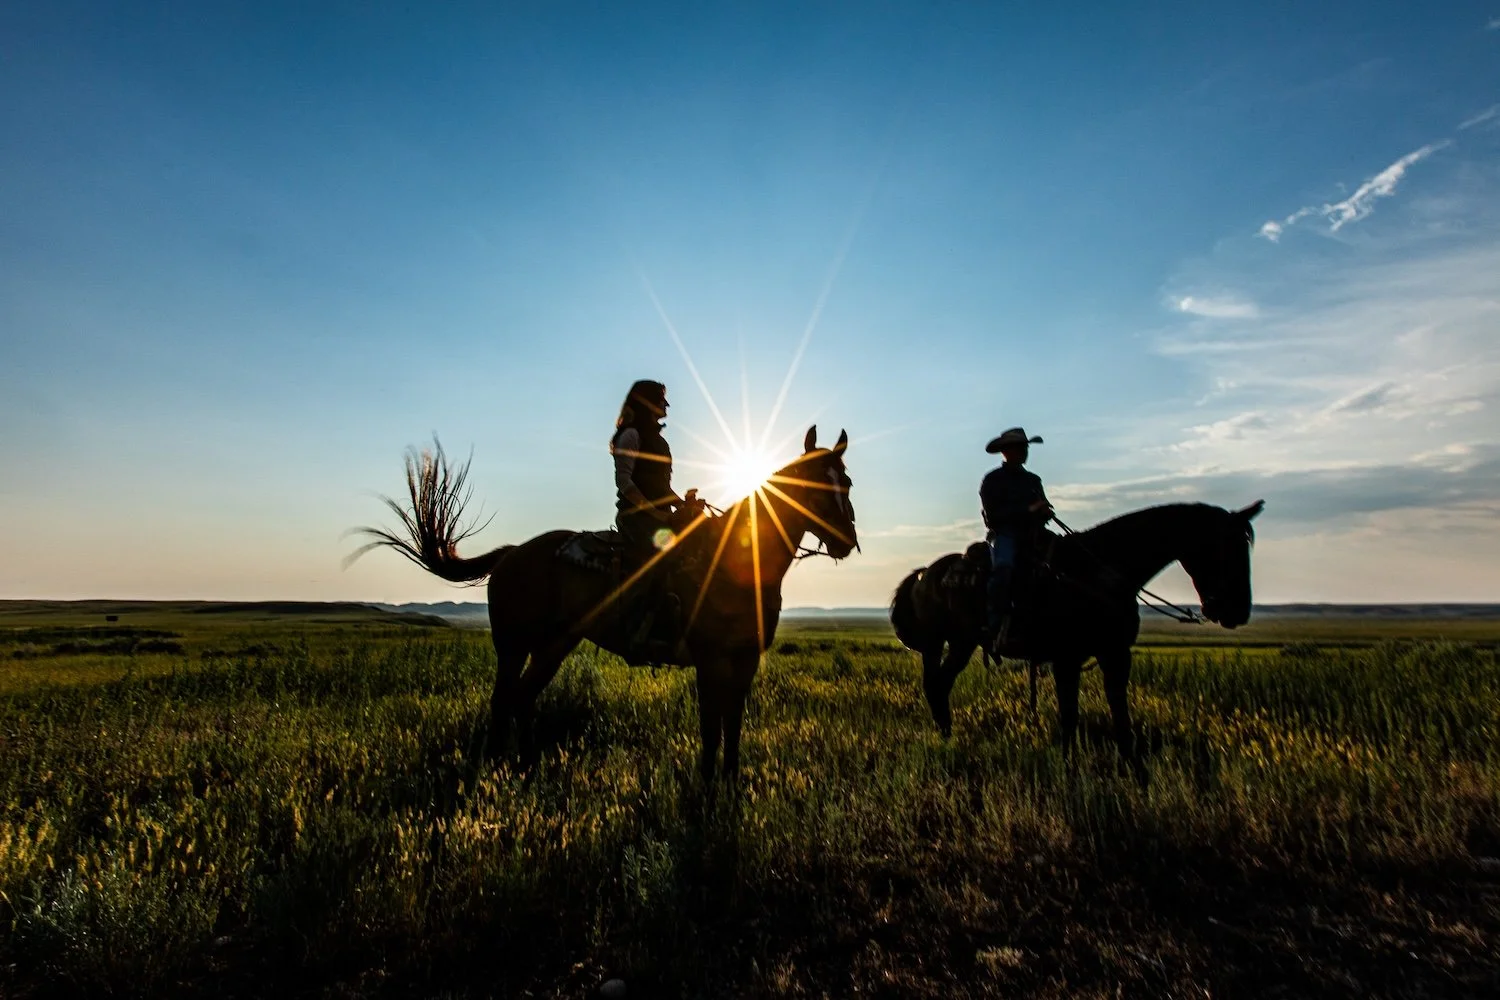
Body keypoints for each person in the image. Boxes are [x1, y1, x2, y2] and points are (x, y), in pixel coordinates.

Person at [609, 380, 700, 659]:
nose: (666, 405)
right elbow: (625, 482)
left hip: (658, 516)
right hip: (636, 517)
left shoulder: (660, 442)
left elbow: (661, 489)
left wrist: (683, 502)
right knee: (663, 555)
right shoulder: (630, 436)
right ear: (647, 402)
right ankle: (640, 628)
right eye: (661, 399)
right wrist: (655, 512)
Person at [979, 427, 1053, 653]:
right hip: (1005, 534)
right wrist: (1029, 509)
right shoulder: (993, 480)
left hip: (1033, 535)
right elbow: (993, 516)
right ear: (1006, 451)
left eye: (1026, 447)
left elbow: (1041, 507)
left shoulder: (1033, 480)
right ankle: (994, 626)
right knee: (1004, 568)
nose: (1025, 451)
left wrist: (1044, 512)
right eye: (1020, 447)